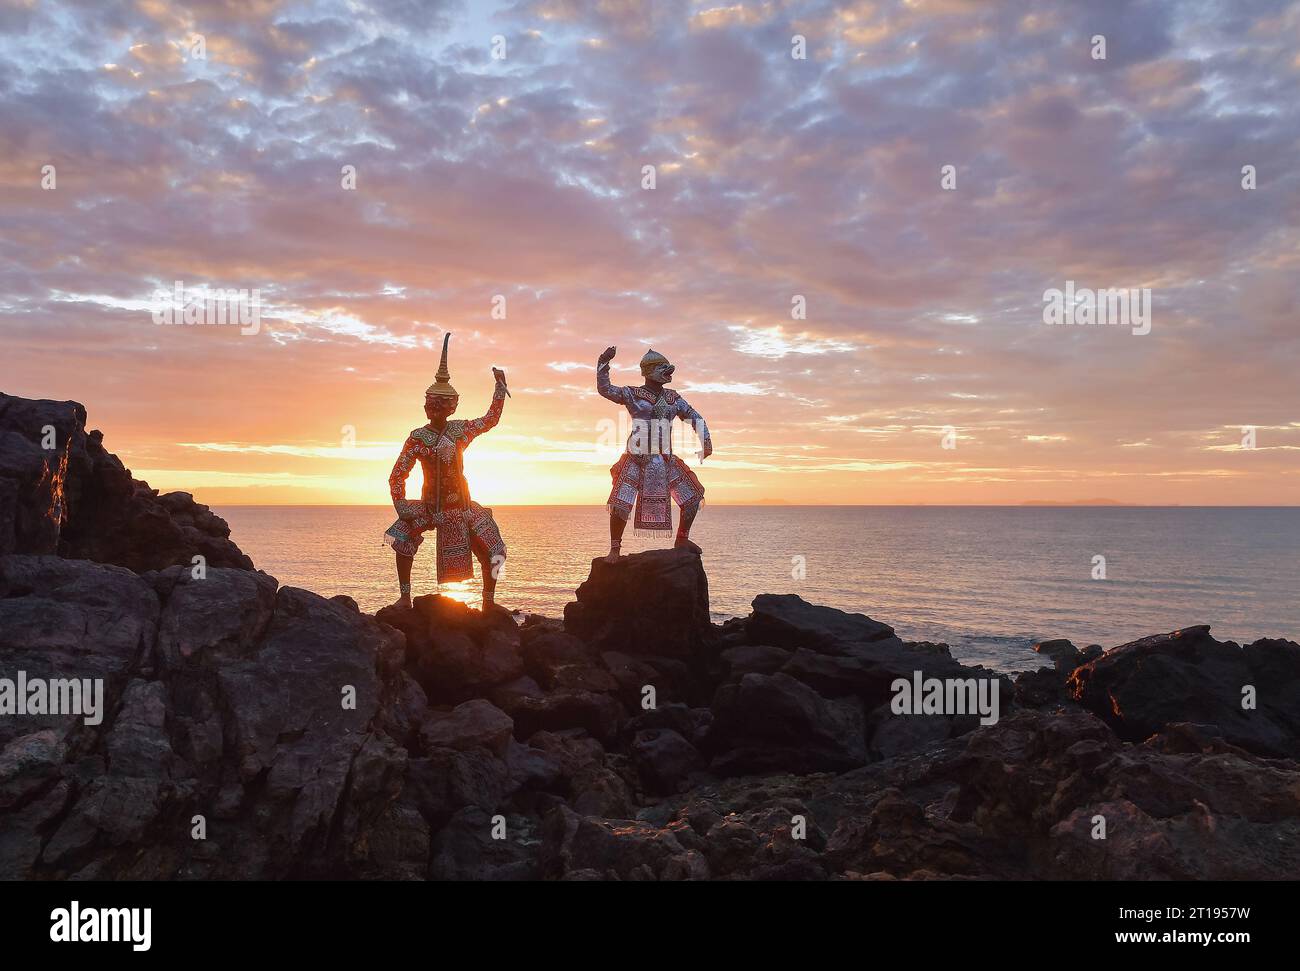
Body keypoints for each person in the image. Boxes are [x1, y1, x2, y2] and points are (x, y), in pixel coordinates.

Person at [384, 333, 508, 609]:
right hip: (429, 507)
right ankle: (405, 596)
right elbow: (397, 475)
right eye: (429, 403)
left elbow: (490, 420)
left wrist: (500, 388)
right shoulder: (418, 437)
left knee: (495, 548)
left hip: (462, 506)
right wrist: (402, 507)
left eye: (438, 403)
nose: (431, 408)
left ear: (451, 406)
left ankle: (489, 601)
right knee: (402, 539)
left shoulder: (460, 430)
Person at [596, 345, 712, 562]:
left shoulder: (673, 398)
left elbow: (694, 416)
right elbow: (605, 389)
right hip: (637, 458)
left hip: (665, 459)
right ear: (649, 371)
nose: (669, 374)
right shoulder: (632, 394)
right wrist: (603, 363)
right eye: (663, 369)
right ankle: (614, 550)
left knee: (693, 496)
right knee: (621, 504)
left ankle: (682, 538)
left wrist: (706, 441)